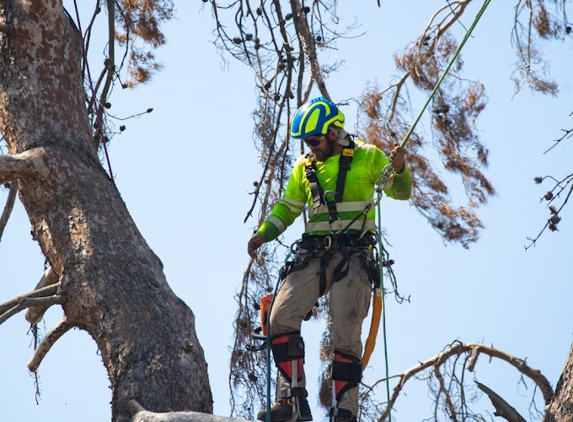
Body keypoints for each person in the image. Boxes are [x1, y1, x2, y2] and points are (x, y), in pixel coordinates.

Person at [247, 96, 412, 422]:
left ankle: (345, 411)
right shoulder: (305, 168)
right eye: (307, 142)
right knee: (280, 315)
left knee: (346, 330)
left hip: (355, 255)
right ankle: (291, 404)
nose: (311, 147)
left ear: (334, 132)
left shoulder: (367, 157)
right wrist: (262, 233)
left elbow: (399, 191)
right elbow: (288, 208)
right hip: (314, 254)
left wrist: (400, 169)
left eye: (314, 139)